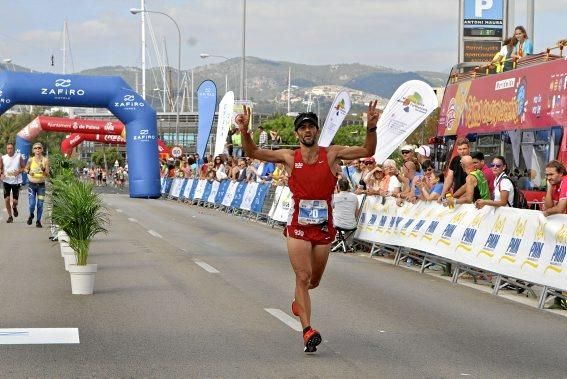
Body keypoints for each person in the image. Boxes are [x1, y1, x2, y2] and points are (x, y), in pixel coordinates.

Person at [237, 102, 379, 353]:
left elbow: (367, 149)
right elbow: (254, 153)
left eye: (311, 126)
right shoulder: (289, 157)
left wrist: (371, 126)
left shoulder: (332, 153)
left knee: (313, 281)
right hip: (298, 226)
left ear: (316, 130)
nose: (307, 131)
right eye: (302, 127)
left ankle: (298, 302)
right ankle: (307, 331)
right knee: (302, 277)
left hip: (324, 227)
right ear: (297, 134)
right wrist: (246, 132)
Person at [25, 142, 49, 228]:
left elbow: (47, 174)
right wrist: (29, 172)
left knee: (40, 204)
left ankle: (38, 221)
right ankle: (31, 214)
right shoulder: (30, 160)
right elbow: (25, 169)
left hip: (41, 186)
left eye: (39, 148)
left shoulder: (45, 160)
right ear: (33, 150)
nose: (37, 149)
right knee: (32, 204)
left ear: (42, 149)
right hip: (32, 185)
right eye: (35, 148)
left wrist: (43, 169)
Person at [332, 178, 360, 251]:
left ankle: (334, 241)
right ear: (348, 186)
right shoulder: (354, 197)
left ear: (338, 187)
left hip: (338, 224)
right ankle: (347, 244)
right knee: (349, 224)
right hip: (351, 225)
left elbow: (331, 208)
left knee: (329, 217)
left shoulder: (335, 197)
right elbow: (356, 212)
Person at [0, 142, 25, 223]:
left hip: (16, 182)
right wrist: (1, 174)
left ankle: (14, 207)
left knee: (15, 201)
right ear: (6, 149)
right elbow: (0, 169)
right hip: (6, 181)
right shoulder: (3, 158)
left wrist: (18, 171)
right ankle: (10, 216)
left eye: (11, 148)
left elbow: (23, 167)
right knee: (7, 199)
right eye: (8, 148)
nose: (10, 150)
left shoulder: (18, 157)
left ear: (13, 149)